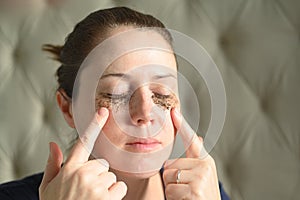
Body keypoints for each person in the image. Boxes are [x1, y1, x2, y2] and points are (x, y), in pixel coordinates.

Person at [0, 7, 230, 200]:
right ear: (67, 108)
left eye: (161, 93)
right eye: (116, 94)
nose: (145, 112)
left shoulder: (205, 192)